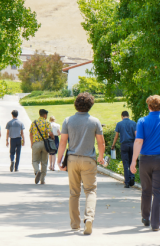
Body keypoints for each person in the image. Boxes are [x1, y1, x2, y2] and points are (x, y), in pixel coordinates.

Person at [56, 92, 107, 235]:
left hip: (72, 160)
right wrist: (101, 157)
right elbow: (101, 143)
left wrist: (60, 160)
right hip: (89, 160)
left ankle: (74, 224)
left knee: (74, 193)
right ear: (91, 105)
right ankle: (89, 218)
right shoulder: (95, 121)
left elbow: (63, 142)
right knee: (90, 191)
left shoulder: (67, 121)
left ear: (76, 104)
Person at [130, 95, 160, 232]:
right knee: (158, 192)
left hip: (145, 160)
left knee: (146, 190)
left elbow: (138, 141)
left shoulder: (142, 121)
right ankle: (155, 224)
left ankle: (145, 218)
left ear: (149, 106)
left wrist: (133, 161)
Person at [112, 111, 137, 188]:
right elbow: (136, 135)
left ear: (122, 116)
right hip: (132, 144)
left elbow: (116, 136)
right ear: (128, 116)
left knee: (125, 164)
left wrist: (113, 145)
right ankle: (132, 176)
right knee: (132, 162)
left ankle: (126, 182)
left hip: (124, 145)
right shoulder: (133, 123)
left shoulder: (119, 124)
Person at [30, 109, 54, 184]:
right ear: (45, 115)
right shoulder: (47, 122)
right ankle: (42, 180)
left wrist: (32, 143)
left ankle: (37, 171)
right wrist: (53, 137)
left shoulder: (34, 122)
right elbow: (50, 133)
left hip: (36, 143)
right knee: (44, 162)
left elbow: (30, 133)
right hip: (45, 144)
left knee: (35, 161)